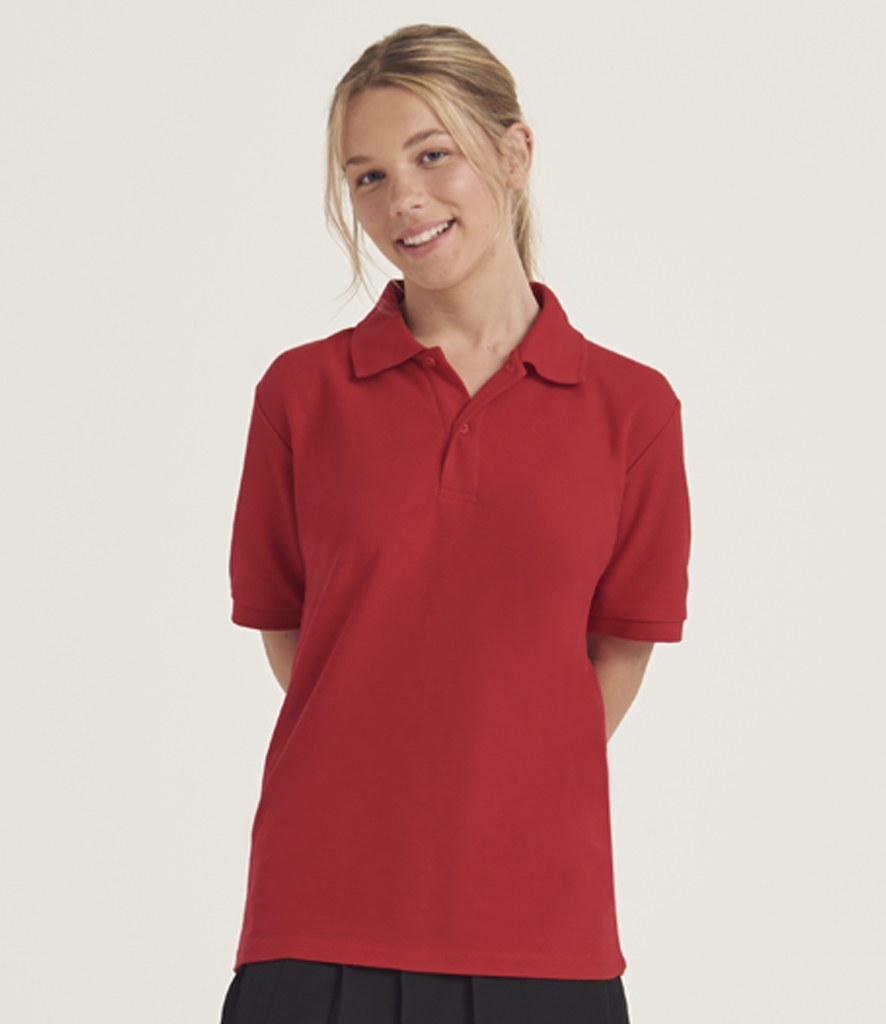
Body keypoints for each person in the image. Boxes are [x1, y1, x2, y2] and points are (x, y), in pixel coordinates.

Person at [220, 23, 690, 1024]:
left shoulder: (633, 409)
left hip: (543, 923)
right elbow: (291, 626)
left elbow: (621, 642)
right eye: (368, 177)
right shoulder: (301, 394)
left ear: (514, 153)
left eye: (433, 156)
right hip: (320, 914)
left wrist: (504, 773)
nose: (403, 199)